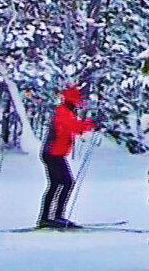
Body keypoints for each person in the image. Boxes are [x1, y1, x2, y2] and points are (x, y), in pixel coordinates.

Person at [38, 83, 97, 228]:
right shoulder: (63, 112)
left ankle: (48, 218)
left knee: (57, 184)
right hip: (53, 154)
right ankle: (55, 217)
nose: (79, 104)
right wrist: (92, 124)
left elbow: (75, 127)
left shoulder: (65, 111)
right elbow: (75, 127)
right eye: (77, 101)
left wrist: (89, 124)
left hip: (54, 153)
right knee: (66, 183)